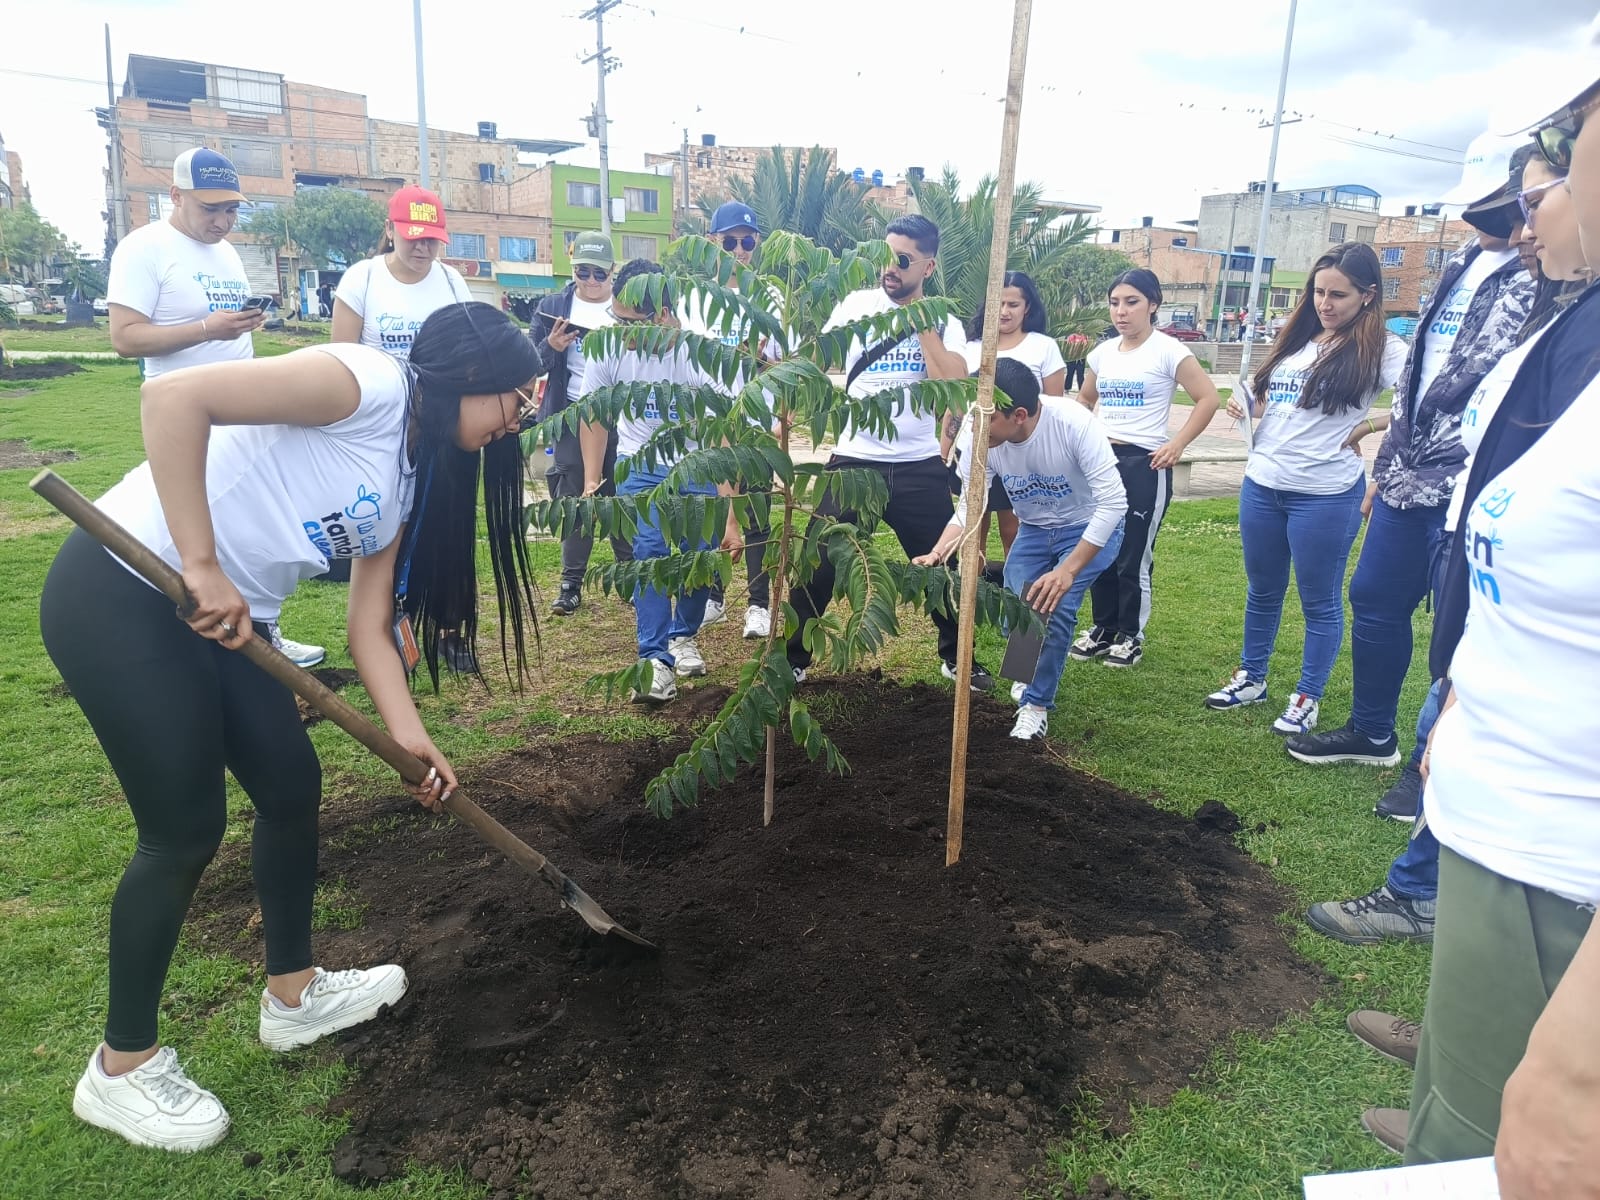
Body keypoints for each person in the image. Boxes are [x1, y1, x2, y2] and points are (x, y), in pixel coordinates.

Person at [41, 302, 541, 1151]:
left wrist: (408, 732)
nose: (521, 420)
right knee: (184, 829)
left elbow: (367, 623)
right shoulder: (366, 385)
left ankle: (294, 995)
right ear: (470, 377)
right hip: (129, 585)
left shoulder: (414, 471)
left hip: (231, 622)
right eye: (518, 400)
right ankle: (120, 1067)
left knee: (288, 784)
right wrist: (199, 564)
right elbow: (173, 404)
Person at [1386, 66, 1600, 1188]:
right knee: (1456, 1128)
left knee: (1491, 1151)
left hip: (1561, 872)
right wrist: (1459, 707)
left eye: (1563, 169)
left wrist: (1578, 1061)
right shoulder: (1570, 336)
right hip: (1500, 819)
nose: (1540, 204)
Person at [1304, 144, 1587, 950]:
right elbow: (1435, 372)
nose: (1518, 221)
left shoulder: (1559, 295)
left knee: (1463, 661)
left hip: (1483, 495)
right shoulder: (1469, 266)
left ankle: (1427, 842)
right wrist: (1395, 447)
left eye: (1530, 201)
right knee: (1386, 608)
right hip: (1423, 478)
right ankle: (1378, 734)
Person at [1285, 133, 1534, 770]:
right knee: (1371, 597)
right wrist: (1387, 457)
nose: (1479, 215)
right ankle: (1372, 732)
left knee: (1460, 626)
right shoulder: (1457, 269)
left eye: (1494, 203)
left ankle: (1439, 761)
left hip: (1471, 483)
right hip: (1404, 480)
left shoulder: (1540, 276)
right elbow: (1420, 381)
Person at [104, 147, 324, 670]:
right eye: (210, 209)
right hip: (182, 417)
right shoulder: (144, 249)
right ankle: (187, 634)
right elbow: (125, 338)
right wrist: (209, 328)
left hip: (240, 412)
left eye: (231, 209)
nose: (222, 221)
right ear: (175, 196)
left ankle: (263, 626)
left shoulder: (225, 252)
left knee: (248, 523)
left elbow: (220, 321)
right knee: (193, 527)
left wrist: (243, 324)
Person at [1205, 243, 1407, 736]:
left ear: (1368, 295)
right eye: (1318, 292)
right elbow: (1273, 402)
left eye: (1338, 294)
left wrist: (1367, 428)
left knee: (1319, 601)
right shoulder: (1298, 339)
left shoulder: (1385, 349)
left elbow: (1419, 402)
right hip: (1263, 483)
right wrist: (1248, 408)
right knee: (1263, 590)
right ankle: (1251, 677)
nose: (1325, 303)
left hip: (1325, 493)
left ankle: (1307, 697)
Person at [786, 214, 990, 690]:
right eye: (885, 256)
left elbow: (952, 385)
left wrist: (921, 322)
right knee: (819, 560)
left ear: (929, 266)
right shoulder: (856, 304)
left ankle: (958, 656)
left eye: (902, 260)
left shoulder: (944, 319)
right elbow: (817, 360)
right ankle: (793, 657)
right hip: (854, 458)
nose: (890, 268)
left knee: (944, 567)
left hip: (918, 465)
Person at [914, 358, 1125, 741]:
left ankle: (1035, 705)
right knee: (1019, 611)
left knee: (1050, 608)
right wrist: (940, 550)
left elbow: (1114, 504)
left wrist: (1068, 571)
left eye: (987, 420)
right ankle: (1027, 670)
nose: (976, 428)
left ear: (1020, 415)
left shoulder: (1073, 424)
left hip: (1090, 527)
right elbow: (970, 504)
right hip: (1035, 528)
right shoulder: (979, 434)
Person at [579, 259, 743, 704]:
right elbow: (594, 414)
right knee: (649, 556)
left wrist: (729, 512)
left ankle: (682, 634)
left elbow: (723, 438)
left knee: (698, 557)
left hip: (697, 467)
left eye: (632, 323)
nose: (622, 331)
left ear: (665, 315)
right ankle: (655, 661)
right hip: (638, 466)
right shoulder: (608, 348)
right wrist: (593, 480)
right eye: (617, 320)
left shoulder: (699, 356)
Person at [332, 184, 476, 673]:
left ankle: (450, 629)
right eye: (412, 237)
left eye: (432, 240)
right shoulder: (363, 280)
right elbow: (340, 362)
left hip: (440, 428)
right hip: (381, 433)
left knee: (449, 527)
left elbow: (468, 353)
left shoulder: (453, 284)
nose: (422, 249)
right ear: (389, 230)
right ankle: (386, 626)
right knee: (387, 528)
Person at [1072, 269, 1222, 667]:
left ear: (1153, 304)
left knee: (1133, 553)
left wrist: (1177, 444)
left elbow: (1207, 398)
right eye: (1115, 302)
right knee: (1098, 546)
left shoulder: (1170, 350)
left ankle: (1129, 635)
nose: (1121, 312)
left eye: (1132, 302)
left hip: (1146, 463)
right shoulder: (1102, 354)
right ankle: (1102, 628)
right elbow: (1085, 401)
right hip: (1102, 462)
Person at [528, 231, 631, 616]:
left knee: (622, 492)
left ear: (612, 273)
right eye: (582, 272)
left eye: (598, 274)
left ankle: (630, 577)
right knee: (575, 496)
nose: (589, 282)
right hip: (571, 413)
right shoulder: (554, 305)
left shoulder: (626, 307)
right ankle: (571, 583)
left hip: (621, 414)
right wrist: (551, 348)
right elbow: (529, 362)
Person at [688, 200, 775, 640]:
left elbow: (785, 363)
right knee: (713, 512)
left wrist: (780, 420)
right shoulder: (695, 301)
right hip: (707, 424)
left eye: (747, 241)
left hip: (756, 425)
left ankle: (758, 604)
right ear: (712, 241)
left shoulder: (770, 299)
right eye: (730, 240)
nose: (739, 250)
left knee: (757, 512)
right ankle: (713, 596)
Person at [951, 270, 1066, 572]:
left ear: (1027, 307)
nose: (1005, 311)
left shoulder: (1043, 347)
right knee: (974, 525)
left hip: (1020, 454)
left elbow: (1054, 404)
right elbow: (958, 401)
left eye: (1013, 304)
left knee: (1013, 528)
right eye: (998, 303)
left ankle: (1016, 590)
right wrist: (945, 444)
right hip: (975, 448)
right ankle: (971, 593)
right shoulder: (972, 347)